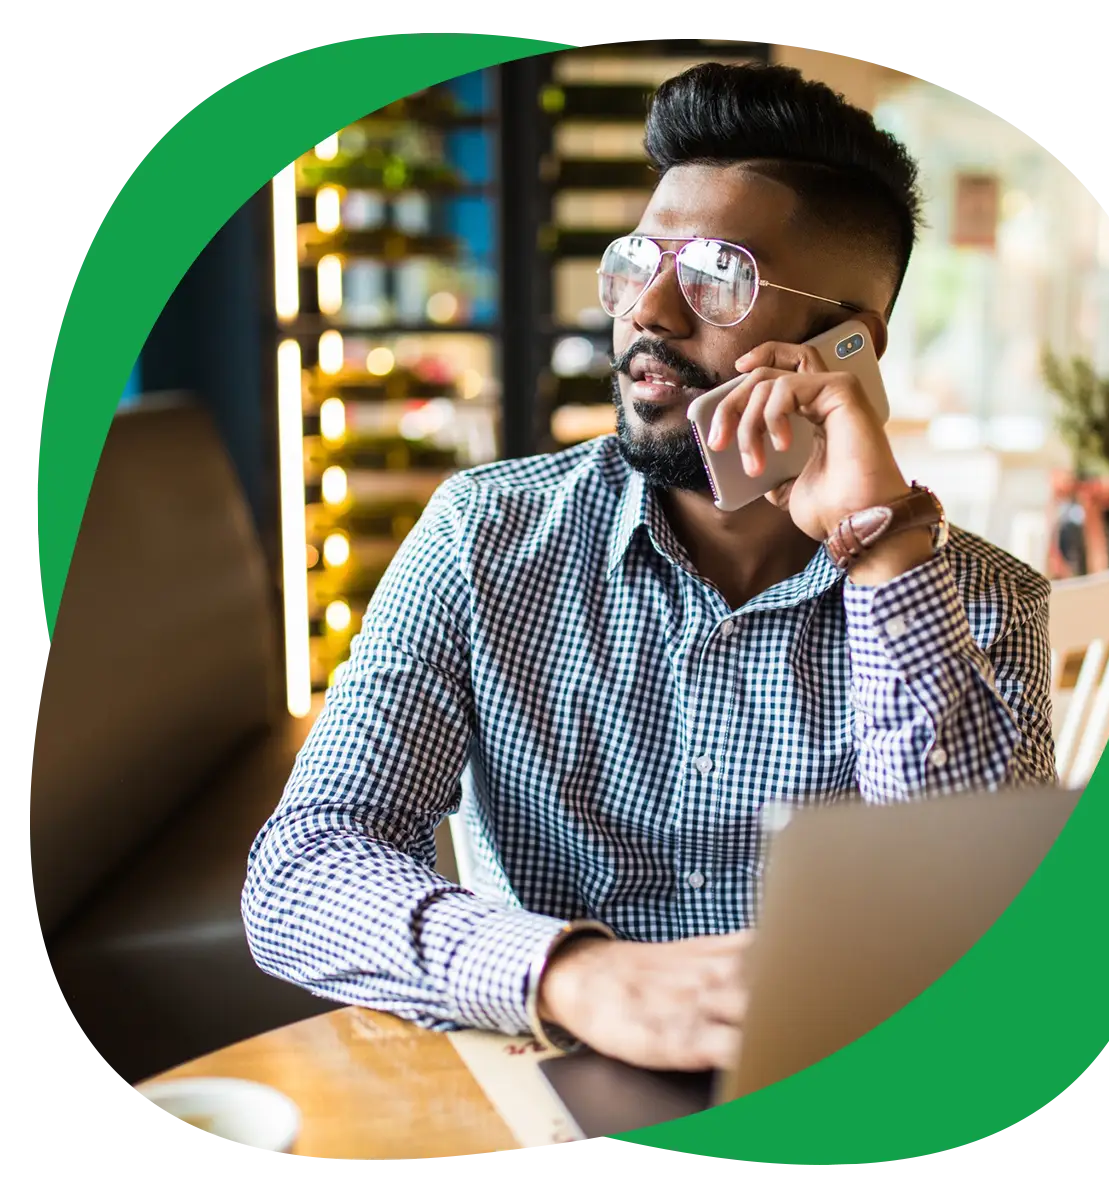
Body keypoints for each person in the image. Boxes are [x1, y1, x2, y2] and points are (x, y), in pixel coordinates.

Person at [243, 62, 1056, 1074]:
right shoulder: (482, 537)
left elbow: (975, 939)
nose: (650, 312)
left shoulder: (984, 601)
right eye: (639, 262)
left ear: (848, 344)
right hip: (536, 1079)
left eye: (719, 276)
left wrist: (882, 552)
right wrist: (573, 976)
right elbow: (301, 869)